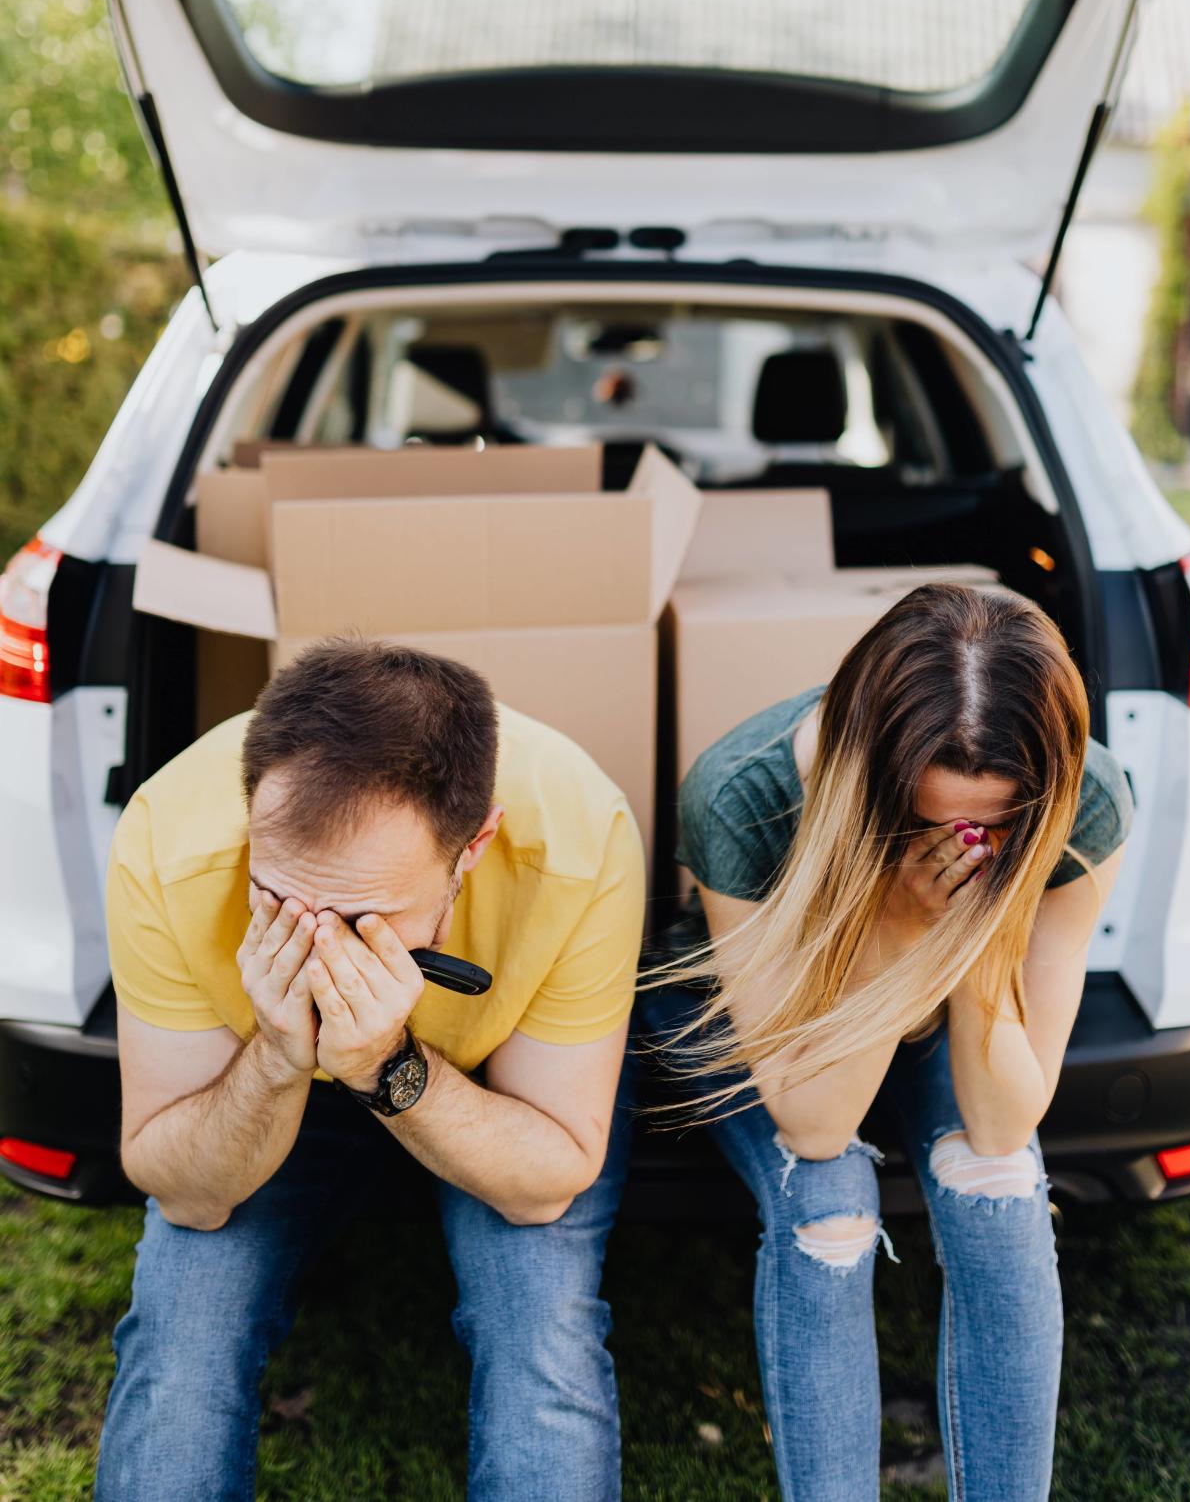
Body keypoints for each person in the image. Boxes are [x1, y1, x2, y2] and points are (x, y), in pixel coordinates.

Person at [95, 637, 646, 1502]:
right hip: (256, 1075)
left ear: (473, 846)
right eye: (277, 900)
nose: (316, 953)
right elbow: (186, 1192)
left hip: (492, 1085)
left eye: (360, 918)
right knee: (181, 1331)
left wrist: (386, 1063)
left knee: (544, 1331)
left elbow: (541, 1184)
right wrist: (280, 1052)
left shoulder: (581, 838)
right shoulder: (170, 839)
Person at [644, 581, 1133, 1502]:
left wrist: (985, 926)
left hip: (942, 1010)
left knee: (1002, 1185)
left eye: (993, 827)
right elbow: (817, 1123)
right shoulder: (744, 796)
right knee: (829, 1205)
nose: (962, 844)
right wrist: (900, 930)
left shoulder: (1089, 804)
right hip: (771, 1022)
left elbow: (1001, 1122)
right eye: (927, 816)